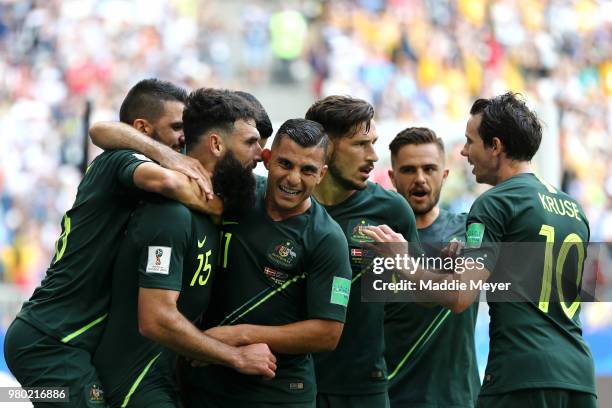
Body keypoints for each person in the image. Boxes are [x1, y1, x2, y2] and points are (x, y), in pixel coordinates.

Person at [365, 93, 597, 408]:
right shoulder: (573, 210)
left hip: (521, 375)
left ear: (496, 146)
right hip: (579, 375)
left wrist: (403, 262)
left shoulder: (494, 203)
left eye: (470, 141)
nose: (464, 151)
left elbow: (460, 296)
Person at [3, 79, 216, 407]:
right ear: (143, 129)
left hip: (61, 339)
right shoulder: (118, 160)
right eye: (176, 127)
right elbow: (167, 179)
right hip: (50, 340)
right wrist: (221, 204)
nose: (183, 138)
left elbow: (104, 130)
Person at [93, 88, 276, 408]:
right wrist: (235, 355)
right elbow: (156, 319)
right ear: (217, 144)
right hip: (134, 383)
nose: (261, 154)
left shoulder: (224, 204)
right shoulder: (171, 213)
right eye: (251, 142)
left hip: (172, 380)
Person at [182, 118, 352, 408]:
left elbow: (328, 332)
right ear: (267, 158)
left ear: (322, 174)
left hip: (278, 395)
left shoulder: (327, 239)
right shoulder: (237, 194)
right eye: (285, 164)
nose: (293, 179)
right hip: (204, 383)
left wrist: (237, 335)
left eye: (307, 170)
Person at [305, 96, 420, 408]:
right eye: (360, 145)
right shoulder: (285, 201)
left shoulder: (392, 209)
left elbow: (412, 302)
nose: (373, 156)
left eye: (374, 143)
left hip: (363, 389)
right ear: (326, 146)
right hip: (289, 383)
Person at [384, 127, 479, 407]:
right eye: (409, 170)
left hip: (458, 399)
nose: (420, 179)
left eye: (429, 169)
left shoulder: (469, 231)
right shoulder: (378, 239)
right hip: (392, 398)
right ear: (392, 177)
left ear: (445, 175)